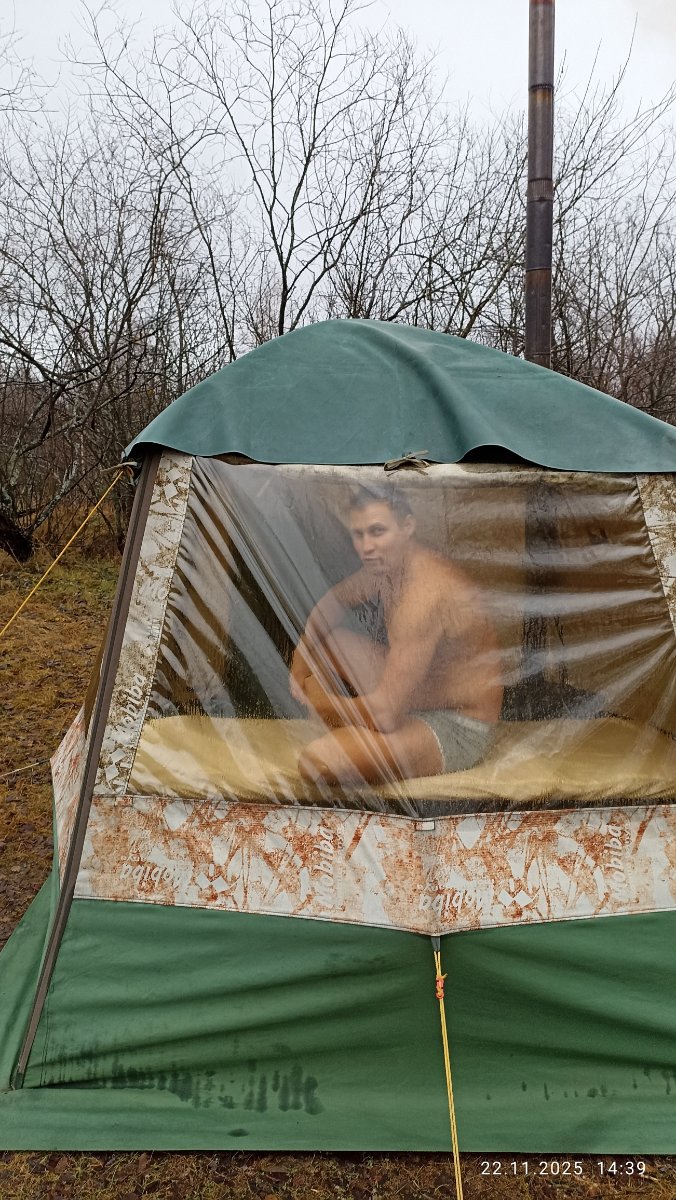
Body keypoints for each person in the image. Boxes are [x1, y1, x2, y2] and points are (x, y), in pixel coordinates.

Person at [290, 483, 503, 786]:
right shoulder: (385, 569)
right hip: (415, 694)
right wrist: (299, 663)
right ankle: (361, 737)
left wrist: (318, 700)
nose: (367, 547)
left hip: (455, 723)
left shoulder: (424, 594)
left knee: (318, 763)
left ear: (407, 527)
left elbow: (386, 715)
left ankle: (361, 740)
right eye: (358, 534)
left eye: (377, 531)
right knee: (326, 645)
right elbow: (335, 601)